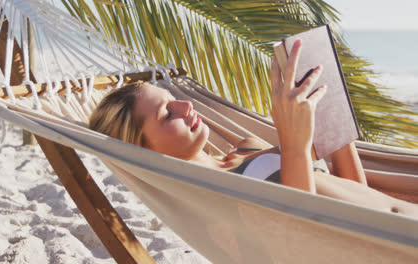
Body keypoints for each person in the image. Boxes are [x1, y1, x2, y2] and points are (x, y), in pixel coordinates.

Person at [89, 39, 417, 218]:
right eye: (166, 113)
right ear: (143, 149)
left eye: (174, 98)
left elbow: (355, 195)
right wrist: (295, 145)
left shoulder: (247, 145)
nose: (185, 105)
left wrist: (329, 121)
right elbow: (308, 234)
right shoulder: (209, 197)